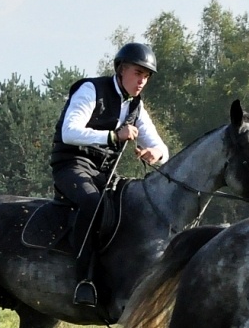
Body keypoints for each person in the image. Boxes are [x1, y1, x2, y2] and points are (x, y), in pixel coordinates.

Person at [51, 42, 169, 307]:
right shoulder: (91, 90)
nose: (142, 81)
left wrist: (155, 154)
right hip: (71, 165)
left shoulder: (135, 107)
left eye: (146, 76)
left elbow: (163, 148)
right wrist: (113, 136)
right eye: (138, 73)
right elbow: (69, 131)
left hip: (102, 174)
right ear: (121, 69)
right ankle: (82, 280)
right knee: (93, 203)